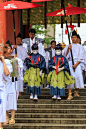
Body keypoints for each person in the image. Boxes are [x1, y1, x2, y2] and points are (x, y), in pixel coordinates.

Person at [3, 40, 23, 125]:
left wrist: (13, 61)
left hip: (12, 82)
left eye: (8, 48)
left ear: (11, 49)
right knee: (5, 100)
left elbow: (17, 72)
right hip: (4, 83)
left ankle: (12, 117)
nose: (7, 50)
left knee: (12, 99)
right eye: (5, 48)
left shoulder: (17, 60)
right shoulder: (2, 59)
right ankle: (6, 117)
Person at [62, 30, 85, 100]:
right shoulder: (68, 46)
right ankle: (69, 94)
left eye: (75, 37)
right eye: (72, 37)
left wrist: (76, 64)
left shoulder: (80, 46)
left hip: (77, 63)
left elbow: (82, 56)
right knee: (70, 77)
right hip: (70, 63)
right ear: (71, 38)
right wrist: (68, 49)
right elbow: (64, 55)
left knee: (77, 77)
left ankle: (76, 91)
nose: (74, 39)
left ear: (77, 38)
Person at [0, 55, 12, 129]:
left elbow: (7, 73)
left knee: (1, 108)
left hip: (1, 89)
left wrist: (3, 61)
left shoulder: (2, 63)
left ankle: (0, 126)